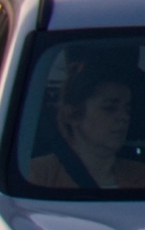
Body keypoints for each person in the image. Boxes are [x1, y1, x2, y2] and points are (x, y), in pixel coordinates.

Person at [26, 55, 145, 190]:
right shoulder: (38, 175)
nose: (124, 117)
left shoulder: (140, 175)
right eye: (109, 108)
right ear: (72, 115)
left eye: (128, 110)